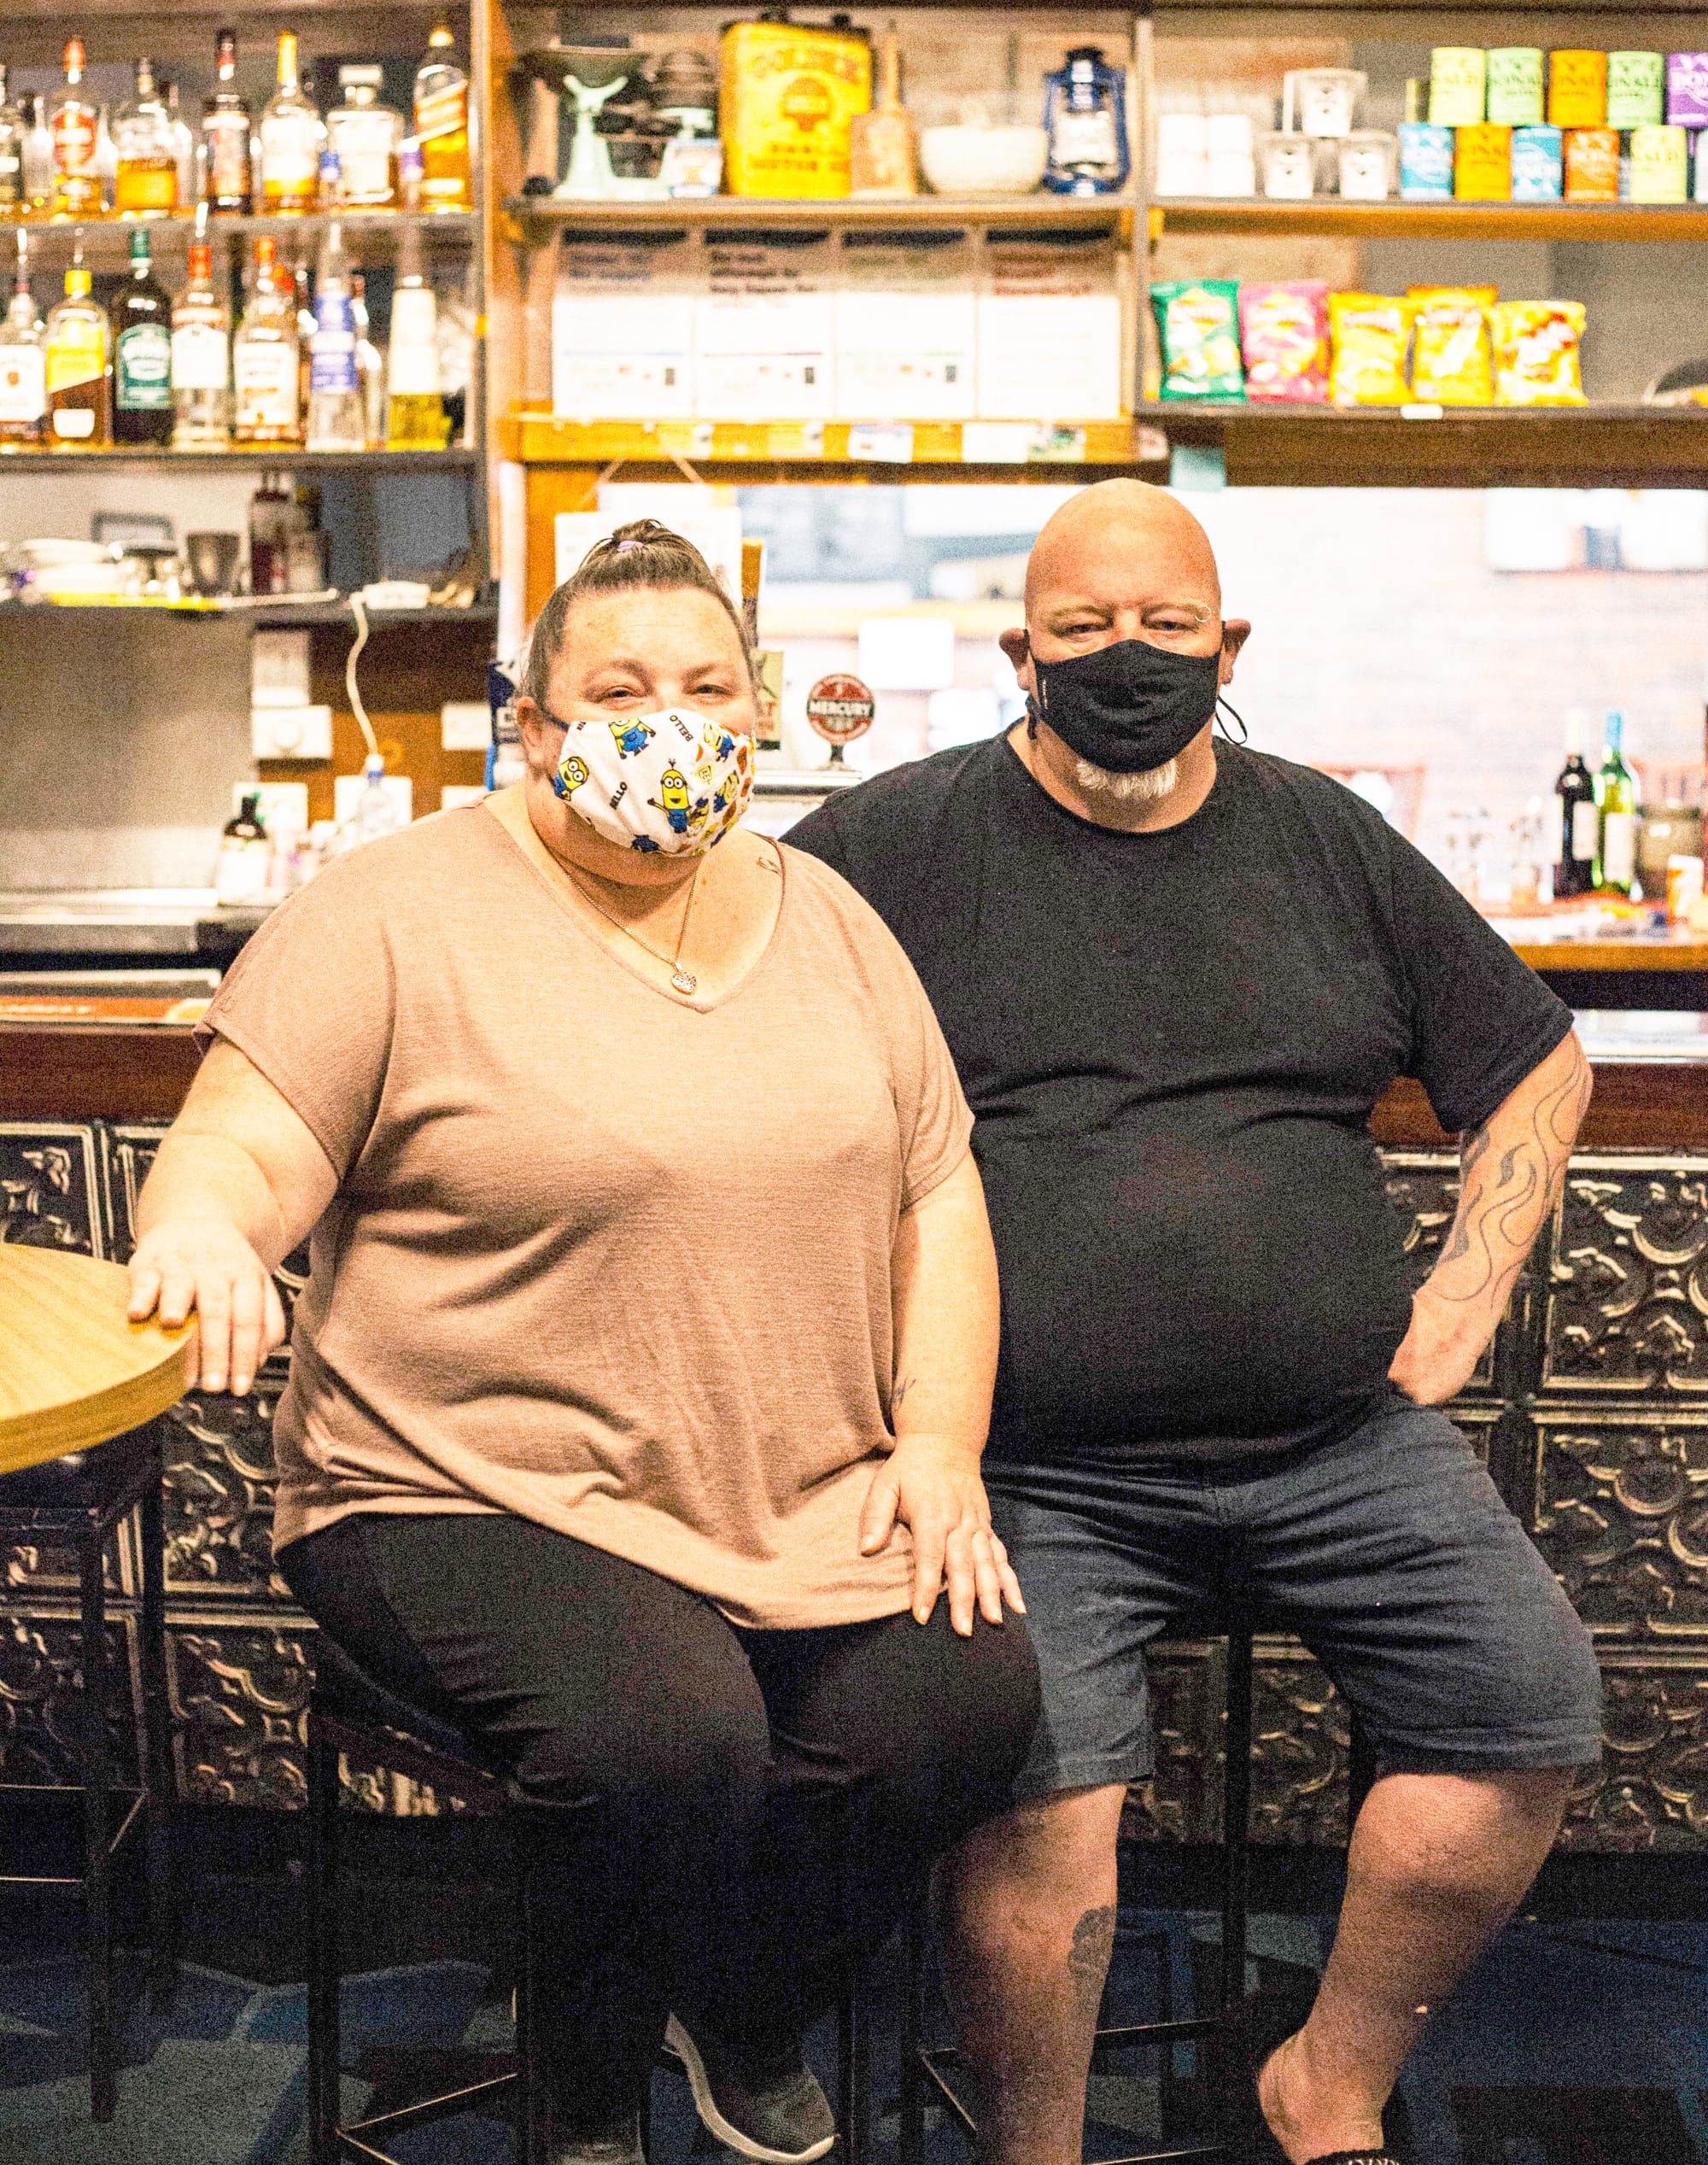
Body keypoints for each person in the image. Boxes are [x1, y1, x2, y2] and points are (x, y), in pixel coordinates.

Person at [127, 519, 1039, 2165]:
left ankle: (740, 2006)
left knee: (959, 1711)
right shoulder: (393, 908)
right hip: (458, 1487)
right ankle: (586, 2094)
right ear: (532, 724)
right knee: (664, 1742)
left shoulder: (831, 915)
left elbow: (940, 1194)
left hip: (791, 1487)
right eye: (617, 691)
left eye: (704, 686)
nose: (666, 722)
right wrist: (205, 1228)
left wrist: (938, 1447)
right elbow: (245, 1148)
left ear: (756, 718)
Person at [789, 479, 1600, 2165]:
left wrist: (1463, 1286)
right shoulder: (890, 847)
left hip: (1337, 1444)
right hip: (1031, 1466)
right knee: (1042, 1818)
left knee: (1525, 1716)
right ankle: (1040, 2148)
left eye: (1167, 627)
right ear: (1019, 650)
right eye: (1083, 630)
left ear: (1230, 644)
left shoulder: (1328, 843)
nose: (1128, 658)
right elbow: (718, 1026)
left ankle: (1333, 2081)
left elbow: (1534, 1058)